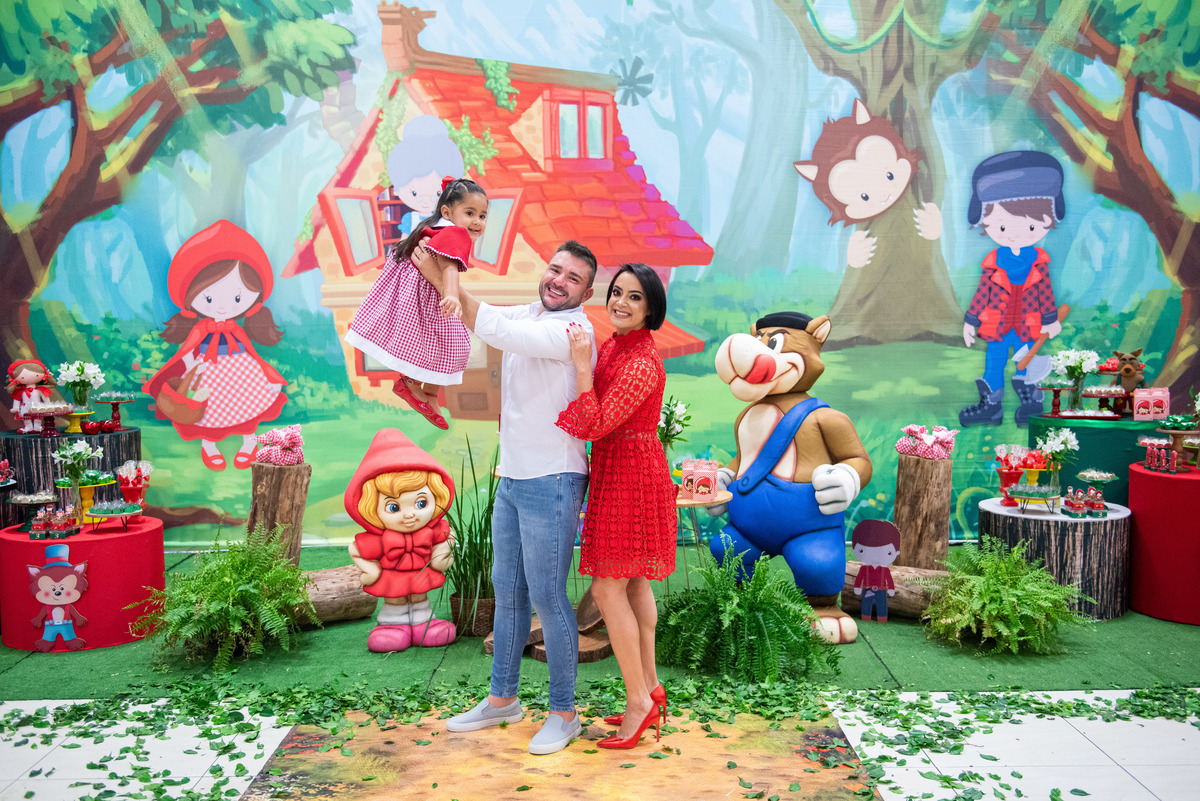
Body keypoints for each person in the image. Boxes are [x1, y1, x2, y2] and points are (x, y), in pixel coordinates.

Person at [427, 240, 598, 756]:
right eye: (555, 269)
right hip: (514, 477)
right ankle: (502, 699)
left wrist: (443, 275)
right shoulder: (531, 313)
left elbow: (498, 331)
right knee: (508, 590)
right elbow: (492, 317)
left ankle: (564, 713)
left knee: (548, 595)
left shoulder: (572, 331)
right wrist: (442, 272)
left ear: (586, 293)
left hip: (553, 479)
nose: (558, 281)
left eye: (572, 278)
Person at [556, 263, 677, 750]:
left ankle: (638, 704)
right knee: (634, 582)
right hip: (621, 472)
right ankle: (651, 686)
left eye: (634, 297)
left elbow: (597, 423)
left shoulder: (641, 362)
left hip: (632, 478)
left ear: (651, 309)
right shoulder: (617, 346)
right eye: (617, 292)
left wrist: (581, 366)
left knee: (608, 588)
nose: (621, 303)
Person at [344, 177, 489, 429]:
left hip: (414, 293)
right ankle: (412, 385)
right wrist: (451, 295)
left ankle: (429, 395)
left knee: (446, 345)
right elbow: (449, 269)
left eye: (482, 215)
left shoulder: (435, 227)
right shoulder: (454, 233)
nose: (477, 221)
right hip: (428, 296)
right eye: (469, 213)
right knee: (456, 346)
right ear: (447, 212)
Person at [142, 220, 287, 471]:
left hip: (240, 369)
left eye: (238, 297)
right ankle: (209, 447)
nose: (221, 306)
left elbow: (251, 352)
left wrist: (265, 375)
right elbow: (188, 350)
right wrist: (191, 367)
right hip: (207, 371)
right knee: (206, 412)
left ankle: (249, 444)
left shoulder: (236, 329)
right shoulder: (201, 329)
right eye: (208, 297)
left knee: (248, 404)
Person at [960, 151, 1065, 428]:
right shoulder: (993, 262)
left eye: (1030, 225)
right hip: (998, 326)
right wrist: (971, 320)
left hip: (1027, 326)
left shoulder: (1039, 262)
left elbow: (1045, 294)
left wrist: (1050, 319)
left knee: (1027, 364)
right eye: (1003, 225)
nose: (1015, 233)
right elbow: (982, 294)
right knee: (993, 364)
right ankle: (990, 407)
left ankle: (1031, 405)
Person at [346, 428, 458, 654]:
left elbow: (449, 536)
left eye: (421, 504)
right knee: (395, 598)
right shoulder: (380, 539)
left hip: (420, 574)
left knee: (419, 596)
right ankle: (392, 625)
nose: (410, 515)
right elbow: (355, 549)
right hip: (393, 577)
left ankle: (424, 623)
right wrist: (370, 570)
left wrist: (443, 551)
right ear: (372, 509)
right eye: (394, 507)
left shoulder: (433, 530)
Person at [7, 360, 56, 434]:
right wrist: (16, 407)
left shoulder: (39, 390)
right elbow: (17, 399)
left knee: (37, 417)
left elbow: (45, 397)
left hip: (37, 406)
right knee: (27, 417)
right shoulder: (21, 391)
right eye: (23, 377)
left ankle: (37, 427)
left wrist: (48, 405)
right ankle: (28, 427)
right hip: (25, 406)